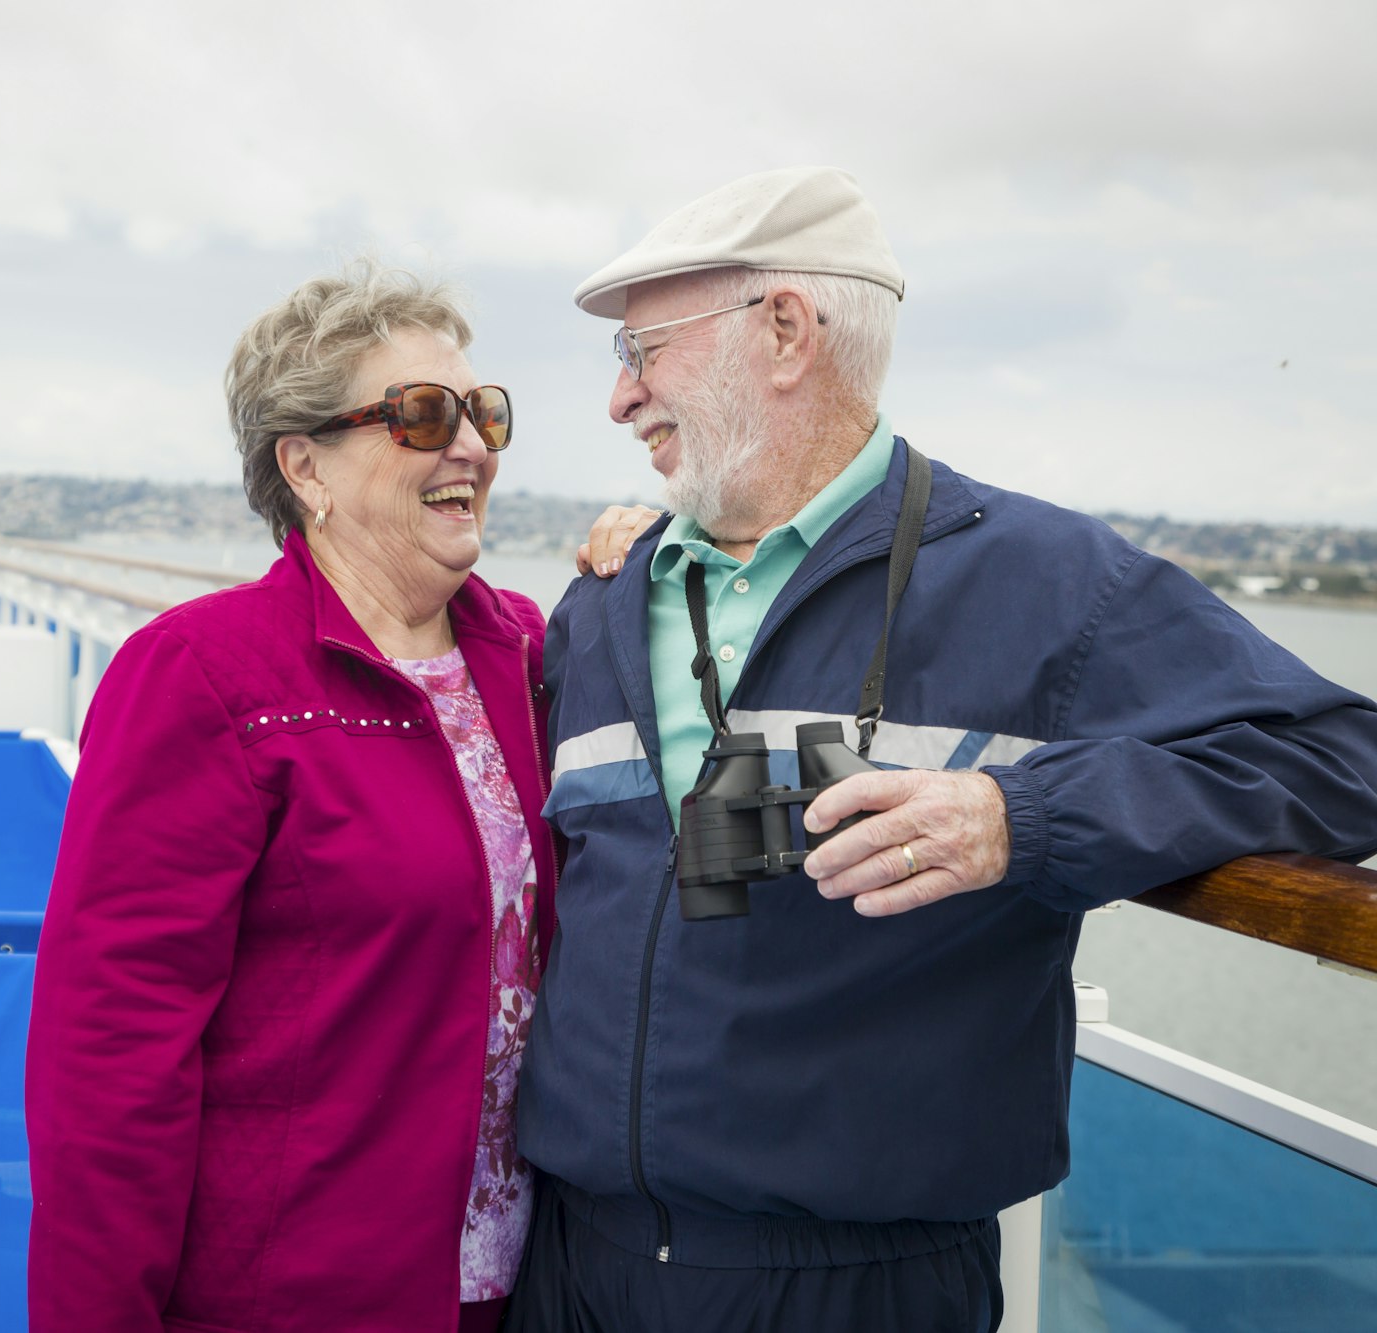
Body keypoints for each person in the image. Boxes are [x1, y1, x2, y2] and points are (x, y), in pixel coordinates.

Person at [507, 166, 1377, 1332]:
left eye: (641, 349)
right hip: (570, 1266)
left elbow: (1337, 753)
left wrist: (1025, 821)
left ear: (782, 331)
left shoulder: (1044, 583)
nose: (618, 400)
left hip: (854, 1294)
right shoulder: (604, 604)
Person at [29, 261, 598, 1332]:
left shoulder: (528, 651)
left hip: (529, 1291)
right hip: (302, 1298)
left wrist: (649, 561)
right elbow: (110, 1063)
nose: (469, 445)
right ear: (305, 465)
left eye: (481, 412)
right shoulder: (200, 675)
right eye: (422, 415)